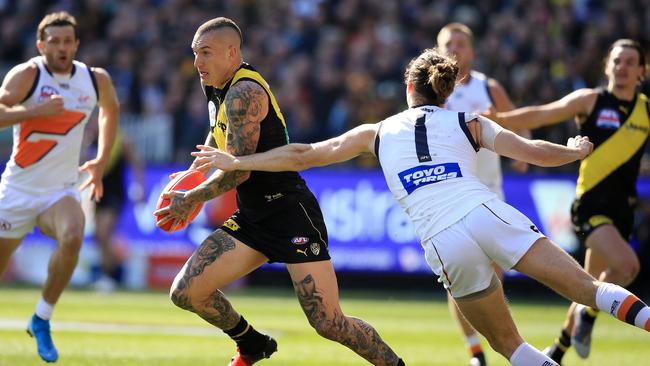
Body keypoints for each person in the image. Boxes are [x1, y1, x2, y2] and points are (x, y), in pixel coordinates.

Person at [191, 48, 650, 366]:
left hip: (444, 242)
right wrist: (573, 150)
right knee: (588, 290)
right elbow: (534, 153)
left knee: (508, 345)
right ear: (444, 92)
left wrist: (239, 160)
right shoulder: (468, 120)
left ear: (409, 85)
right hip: (484, 214)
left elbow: (302, 155)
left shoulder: (378, 130)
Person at [153, 17, 405, 366]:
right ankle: (252, 343)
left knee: (329, 323)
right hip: (253, 218)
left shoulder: (244, 92)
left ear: (231, 53)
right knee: (186, 292)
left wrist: (192, 198)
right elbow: (219, 134)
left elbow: (238, 172)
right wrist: (196, 171)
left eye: (205, 53)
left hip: (290, 214)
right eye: (195, 53)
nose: (197, 63)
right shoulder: (215, 83)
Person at [489, 38, 649, 364]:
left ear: (642, 72)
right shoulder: (591, 100)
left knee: (587, 288)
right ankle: (588, 320)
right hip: (591, 205)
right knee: (627, 266)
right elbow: (543, 114)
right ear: (607, 66)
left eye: (630, 62)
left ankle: (558, 351)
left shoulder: (645, 109)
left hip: (623, 210)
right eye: (617, 61)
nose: (622, 67)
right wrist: (501, 120)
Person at [0, 11, 119, 363]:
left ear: (77, 44)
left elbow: (110, 111)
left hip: (61, 190)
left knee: (73, 234)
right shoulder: (28, 75)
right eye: (55, 41)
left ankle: (42, 318)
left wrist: (99, 161)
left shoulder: (95, 80)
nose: (62, 47)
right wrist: (33, 111)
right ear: (41, 45)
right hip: (17, 191)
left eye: (68, 41)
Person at [437, 22, 528, 366]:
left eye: (461, 43)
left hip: (488, 194)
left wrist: (517, 149)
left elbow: (519, 124)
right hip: (448, 196)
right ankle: (476, 352)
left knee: (492, 279)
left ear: (472, 51)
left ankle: (504, 343)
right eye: (448, 44)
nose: (454, 49)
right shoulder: (431, 94)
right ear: (437, 50)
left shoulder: (489, 87)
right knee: (456, 279)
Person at [92, 130, 145, 292]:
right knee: (100, 238)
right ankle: (113, 271)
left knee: (103, 234)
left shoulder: (121, 140)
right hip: (98, 194)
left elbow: (136, 163)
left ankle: (109, 275)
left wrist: (139, 186)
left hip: (115, 194)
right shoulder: (93, 138)